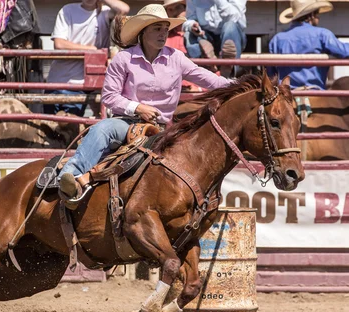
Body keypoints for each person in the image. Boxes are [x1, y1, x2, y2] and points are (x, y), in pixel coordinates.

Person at [57, 4, 232, 206]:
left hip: (163, 128)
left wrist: (243, 85)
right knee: (102, 129)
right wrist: (137, 108)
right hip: (126, 122)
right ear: (143, 31)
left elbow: (210, 80)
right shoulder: (124, 59)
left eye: (165, 29)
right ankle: (70, 177)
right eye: (157, 29)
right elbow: (109, 96)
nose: (163, 34)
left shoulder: (177, 58)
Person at [45, 0, 129, 116]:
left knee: (70, 128)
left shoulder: (104, 12)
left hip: (80, 84)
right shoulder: (68, 10)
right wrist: (90, 50)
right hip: (58, 80)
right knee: (49, 127)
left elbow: (123, 9)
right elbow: (59, 44)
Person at [268, 0, 349, 90]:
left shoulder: (277, 39)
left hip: (287, 94)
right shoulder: (322, 34)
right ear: (311, 15)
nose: (318, 17)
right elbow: (343, 51)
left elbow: (271, 73)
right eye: (317, 13)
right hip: (314, 90)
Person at [182, 0, 246, 78]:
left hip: (232, 37)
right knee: (189, 34)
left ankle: (228, 70)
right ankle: (205, 69)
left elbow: (233, 17)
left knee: (230, 26)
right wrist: (192, 25)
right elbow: (188, 19)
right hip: (206, 36)